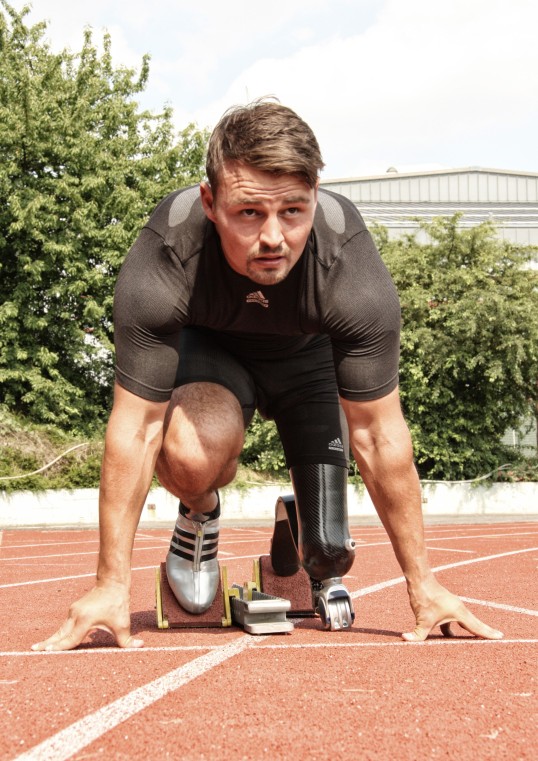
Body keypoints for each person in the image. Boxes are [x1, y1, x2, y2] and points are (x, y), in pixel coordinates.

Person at [32, 99, 503, 651]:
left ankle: (293, 524)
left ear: (316, 197)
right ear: (210, 203)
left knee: (328, 552)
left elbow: (379, 433)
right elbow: (136, 426)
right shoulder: (167, 253)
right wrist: (110, 584)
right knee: (190, 457)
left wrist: (424, 585)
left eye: (293, 212)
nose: (274, 237)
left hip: (309, 363)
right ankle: (200, 515)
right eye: (250, 213)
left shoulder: (349, 268)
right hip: (213, 354)